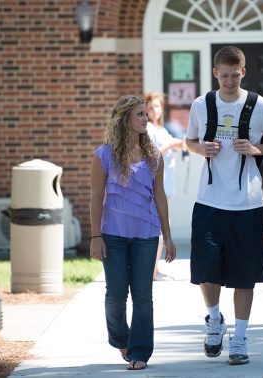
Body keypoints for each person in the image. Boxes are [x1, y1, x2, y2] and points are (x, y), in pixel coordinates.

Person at [185, 46, 263, 365]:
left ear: (244, 72)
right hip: (209, 201)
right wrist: (200, 149)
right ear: (216, 73)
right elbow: (189, 141)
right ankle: (215, 320)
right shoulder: (201, 105)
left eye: (235, 74)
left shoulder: (261, 105)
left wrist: (257, 149)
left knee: (244, 275)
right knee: (206, 270)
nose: (229, 81)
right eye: (224, 75)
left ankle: (240, 337)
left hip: (247, 203)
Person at [89, 95, 177, 371]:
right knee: (115, 294)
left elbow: (160, 196)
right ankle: (120, 338)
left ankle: (140, 351)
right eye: (140, 114)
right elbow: (96, 197)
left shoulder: (155, 156)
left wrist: (168, 235)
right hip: (112, 235)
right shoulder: (103, 156)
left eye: (145, 114)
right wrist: (95, 236)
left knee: (142, 293)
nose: (146, 118)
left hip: (146, 235)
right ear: (125, 118)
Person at [145, 92, 183, 281]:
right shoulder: (148, 129)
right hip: (155, 185)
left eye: (157, 106)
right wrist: (170, 145)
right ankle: (153, 272)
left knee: (161, 227)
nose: (154, 110)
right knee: (159, 228)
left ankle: (154, 270)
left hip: (165, 184)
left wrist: (177, 145)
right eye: (150, 107)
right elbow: (151, 155)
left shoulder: (162, 129)